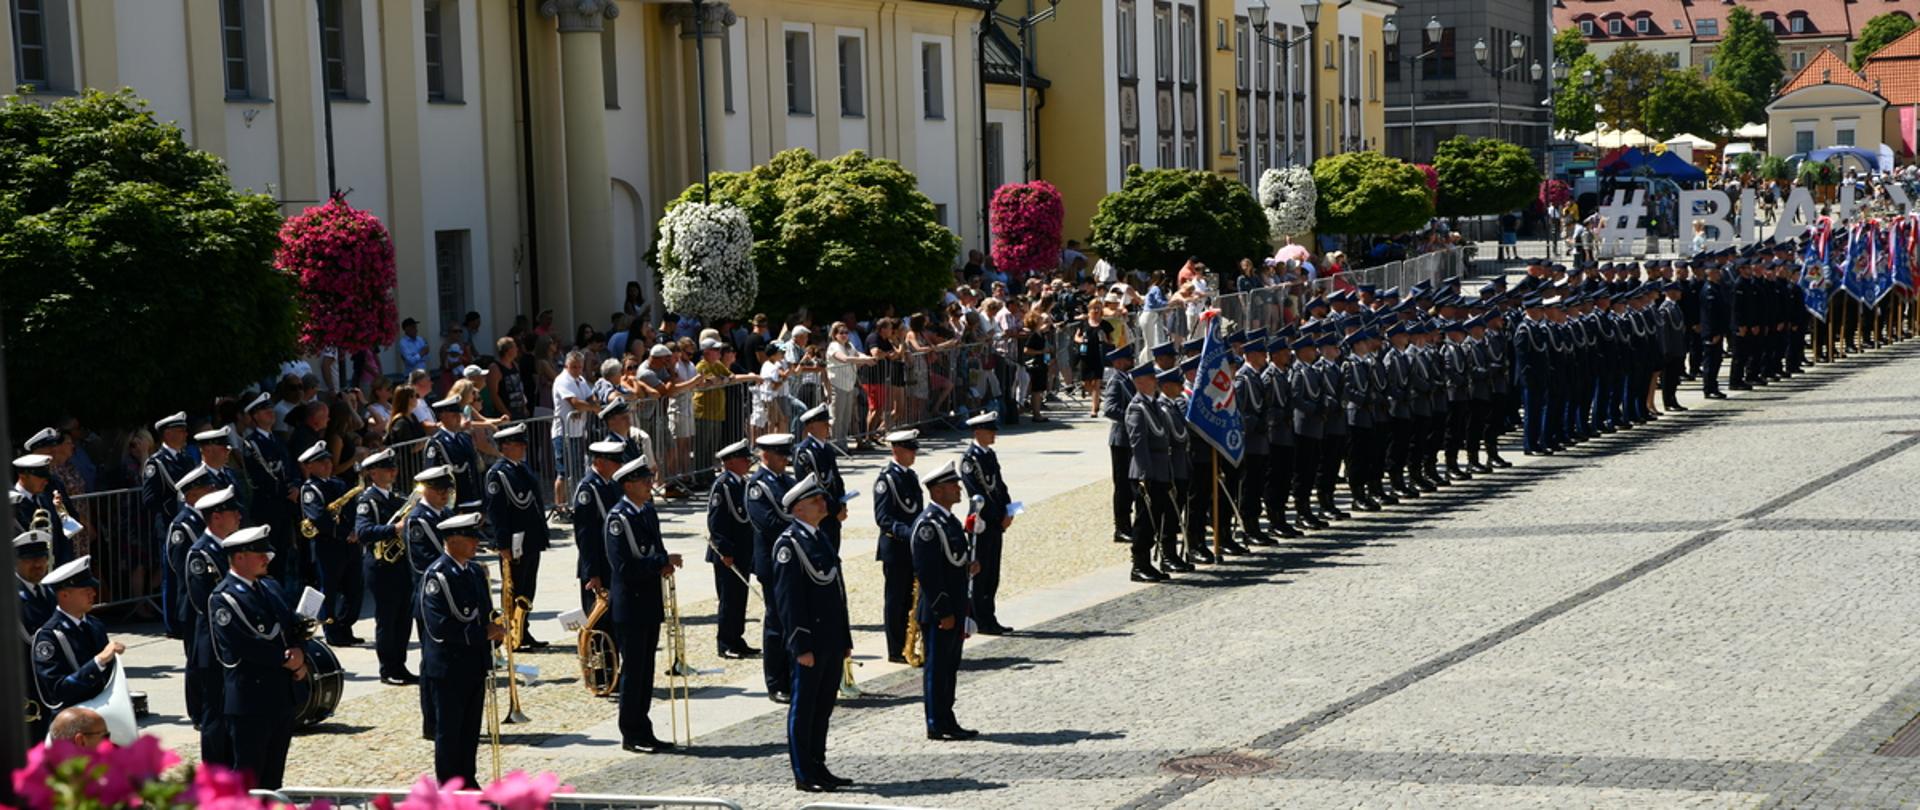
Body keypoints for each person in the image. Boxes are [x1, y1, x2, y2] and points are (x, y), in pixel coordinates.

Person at [771, 473, 854, 792]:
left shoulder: (819, 537)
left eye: (821, 498)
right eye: (816, 500)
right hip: (811, 642)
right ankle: (803, 773)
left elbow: (837, 592)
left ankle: (819, 765)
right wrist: (800, 645)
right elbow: (788, 601)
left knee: (823, 707)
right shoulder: (789, 545)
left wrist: (844, 638)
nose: (823, 503)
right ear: (799, 509)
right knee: (804, 708)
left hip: (830, 639)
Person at [208, 526, 300, 789]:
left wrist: (299, 652)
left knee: (274, 772)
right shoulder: (224, 597)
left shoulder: (269, 587)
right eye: (259, 553)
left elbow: (290, 624)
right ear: (239, 558)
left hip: (280, 693)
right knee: (248, 774)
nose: (266, 558)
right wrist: (285, 658)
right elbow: (242, 644)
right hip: (251, 698)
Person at [418, 512, 505, 787]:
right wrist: (482, 634)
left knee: (470, 729)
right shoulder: (438, 576)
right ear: (453, 540)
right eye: (470, 537)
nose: (476, 543)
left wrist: (496, 634)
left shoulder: (475, 572)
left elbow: (485, 612)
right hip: (449, 666)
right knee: (449, 730)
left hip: (474, 662)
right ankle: (449, 786)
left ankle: (467, 778)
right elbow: (439, 627)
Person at [606, 456, 683, 753]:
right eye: (643, 481)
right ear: (628, 485)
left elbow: (655, 546)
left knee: (646, 670)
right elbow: (624, 567)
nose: (650, 484)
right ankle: (631, 732)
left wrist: (662, 563)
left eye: (650, 479)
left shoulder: (647, 512)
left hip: (650, 601)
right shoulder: (619, 519)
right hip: (631, 604)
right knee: (634, 671)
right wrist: (660, 562)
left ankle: (644, 727)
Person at [912, 458, 978, 740]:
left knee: (949, 667)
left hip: (955, 605)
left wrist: (967, 567)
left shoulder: (948, 521)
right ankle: (935, 722)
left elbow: (951, 562)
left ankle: (947, 717)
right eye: (953, 485)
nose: (958, 490)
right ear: (938, 491)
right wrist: (944, 611)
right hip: (940, 611)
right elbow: (929, 574)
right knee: (937, 669)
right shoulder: (929, 525)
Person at [31, 556, 121, 741]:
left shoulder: (95, 625)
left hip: (99, 721)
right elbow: (56, 692)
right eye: (85, 590)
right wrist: (98, 662)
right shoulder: (48, 636)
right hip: (72, 728)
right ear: (64, 595)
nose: (93, 594)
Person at [350, 449, 412, 687]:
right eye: (387, 468)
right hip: (380, 567)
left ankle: (401, 665)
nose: (393, 472)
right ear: (373, 473)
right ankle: (388, 669)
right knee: (387, 619)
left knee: (403, 619)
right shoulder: (367, 501)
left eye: (393, 467)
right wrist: (394, 529)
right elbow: (363, 533)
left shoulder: (396, 498)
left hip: (400, 565)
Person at [484, 423, 549, 650]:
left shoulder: (521, 469)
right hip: (514, 541)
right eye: (518, 444)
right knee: (514, 589)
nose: (523, 448)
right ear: (506, 447)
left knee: (528, 588)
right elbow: (497, 513)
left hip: (530, 539)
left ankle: (523, 629)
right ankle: (511, 634)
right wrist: (502, 544)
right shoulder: (498, 474)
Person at [746, 433, 798, 703]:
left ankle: (793, 674)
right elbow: (768, 523)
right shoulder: (758, 486)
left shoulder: (787, 481)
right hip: (773, 562)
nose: (784, 460)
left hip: (792, 560)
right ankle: (776, 681)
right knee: (777, 623)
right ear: (765, 455)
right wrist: (800, 528)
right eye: (779, 454)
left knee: (794, 620)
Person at [406, 465, 457, 738]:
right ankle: (433, 722)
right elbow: (421, 562)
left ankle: (448, 717)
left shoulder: (446, 515)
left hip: (451, 599)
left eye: (446, 490)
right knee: (431, 663)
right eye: (439, 490)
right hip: (430, 600)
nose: (444, 495)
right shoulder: (418, 521)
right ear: (425, 489)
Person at [298, 443, 362, 647]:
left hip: (349, 544)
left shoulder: (338, 483)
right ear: (309, 466)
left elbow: (352, 509)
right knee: (330, 590)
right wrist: (345, 534)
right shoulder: (310, 489)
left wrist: (354, 530)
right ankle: (332, 631)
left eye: (327, 460)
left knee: (354, 588)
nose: (327, 464)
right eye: (321, 462)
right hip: (330, 546)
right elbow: (319, 518)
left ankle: (346, 626)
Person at [958, 413, 1014, 633]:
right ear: (978, 432)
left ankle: (989, 615)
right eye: (990, 431)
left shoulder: (989, 455)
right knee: (980, 573)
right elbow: (977, 494)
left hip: (996, 522)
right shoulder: (970, 460)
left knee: (993, 573)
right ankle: (980, 618)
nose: (994, 435)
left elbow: (999, 485)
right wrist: (997, 516)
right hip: (982, 523)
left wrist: (1008, 510)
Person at [871, 430, 923, 663]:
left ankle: (910, 643)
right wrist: (908, 532)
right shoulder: (887, 480)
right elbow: (883, 518)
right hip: (895, 547)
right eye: (909, 450)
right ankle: (896, 649)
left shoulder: (910, 476)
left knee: (910, 599)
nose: (913, 455)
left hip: (911, 547)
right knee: (896, 600)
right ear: (897, 450)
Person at [705, 439, 758, 659]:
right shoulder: (723, 485)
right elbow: (716, 524)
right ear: (732, 462)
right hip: (727, 553)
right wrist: (725, 551)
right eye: (744, 459)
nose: (748, 462)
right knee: (728, 599)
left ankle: (737, 638)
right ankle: (726, 642)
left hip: (742, 550)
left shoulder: (742, 484)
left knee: (740, 598)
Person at [241, 393, 297, 577]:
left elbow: (290, 468)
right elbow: (261, 477)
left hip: (285, 505)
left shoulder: (278, 441)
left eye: (270, 408)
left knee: (283, 552)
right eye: (265, 410)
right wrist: (285, 492)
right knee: (270, 555)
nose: (270, 412)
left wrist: (295, 486)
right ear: (255, 416)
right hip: (268, 506)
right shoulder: (252, 444)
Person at [573, 441, 626, 617]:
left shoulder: (610, 484)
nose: (619, 465)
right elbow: (585, 535)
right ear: (600, 462)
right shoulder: (589, 489)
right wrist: (592, 572)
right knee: (598, 619)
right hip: (598, 563)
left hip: (611, 560)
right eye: (615, 461)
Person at [16, 527, 55, 741]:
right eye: (30, 560)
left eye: (42, 557)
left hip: (46, 683)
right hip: (25, 685)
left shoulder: (48, 590)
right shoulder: (11, 596)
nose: (39, 564)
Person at [792, 405, 845, 550]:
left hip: (833, 512)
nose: (828, 427)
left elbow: (836, 479)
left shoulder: (827, 448)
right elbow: (812, 486)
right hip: (819, 512)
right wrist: (835, 509)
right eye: (824, 424)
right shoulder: (804, 452)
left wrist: (842, 504)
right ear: (811, 427)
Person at [424, 395, 482, 511]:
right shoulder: (437, 443)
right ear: (442, 416)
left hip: (472, 498)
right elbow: (432, 476)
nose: (458, 417)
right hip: (453, 502)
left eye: (458, 413)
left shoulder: (465, 438)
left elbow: (474, 469)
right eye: (453, 414)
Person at [13, 454, 69, 563]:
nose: (46, 481)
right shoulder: (13, 504)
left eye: (46, 477)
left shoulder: (46, 498)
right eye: (40, 477)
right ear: (23, 476)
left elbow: (59, 535)